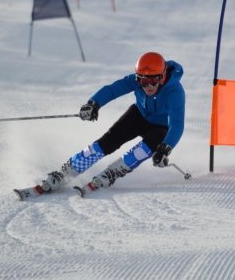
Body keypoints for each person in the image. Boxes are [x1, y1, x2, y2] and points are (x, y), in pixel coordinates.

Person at [39, 52, 185, 197]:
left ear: (163, 76)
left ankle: (113, 172)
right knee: (109, 141)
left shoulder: (175, 92)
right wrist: (93, 104)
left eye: (153, 81)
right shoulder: (135, 81)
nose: (148, 86)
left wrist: (165, 148)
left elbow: (176, 124)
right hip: (139, 115)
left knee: (142, 150)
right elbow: (113, 89)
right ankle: (66, 172)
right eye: (142, 81)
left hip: (161, 127)